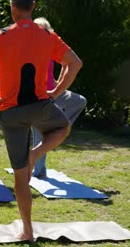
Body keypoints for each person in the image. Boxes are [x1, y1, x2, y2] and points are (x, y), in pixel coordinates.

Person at [0, 0, 82, 241]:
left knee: (21, 176)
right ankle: (36, 154)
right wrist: (55, 92)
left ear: (12, 9)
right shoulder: (47, 35)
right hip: (41, 108)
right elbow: (75, 63)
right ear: (32, 7)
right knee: (63, 127)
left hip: (10, 113)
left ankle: (27, 231)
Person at [31, 17, 87, 178]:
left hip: (54, 92)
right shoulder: (30, 50)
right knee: (39, 135)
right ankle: (38, 171)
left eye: (44, 31)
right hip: (39, 97)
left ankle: (59, 128)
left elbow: (67, 63)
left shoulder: (51, 47)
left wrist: (60, 85)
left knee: (79, 101)